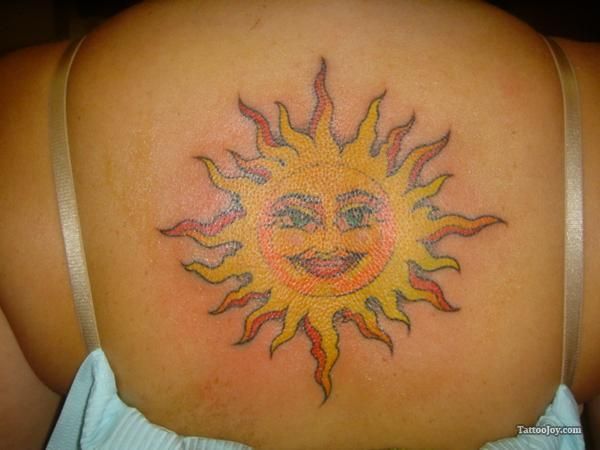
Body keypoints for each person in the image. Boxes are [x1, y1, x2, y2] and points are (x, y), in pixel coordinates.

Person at [0, 1, 598, 449]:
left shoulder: (21, 109)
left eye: (358, 215)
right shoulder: (588, 98)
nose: (329, 242)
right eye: (294, 218)